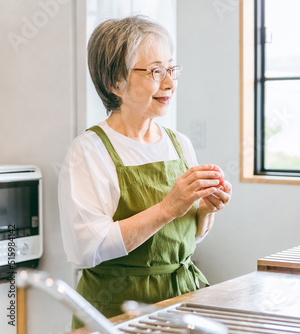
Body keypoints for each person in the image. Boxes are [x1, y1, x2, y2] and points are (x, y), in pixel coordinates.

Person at [58, 15, 231, 329]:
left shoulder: (180, 144)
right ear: (115, 83)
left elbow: (182, 241)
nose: (169, 82)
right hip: (116, 308)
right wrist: (168, 207)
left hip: (182, 297)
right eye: (155, 71)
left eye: (170, 69)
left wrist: (205, 210)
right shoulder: (88, 151)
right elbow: (87, 249)